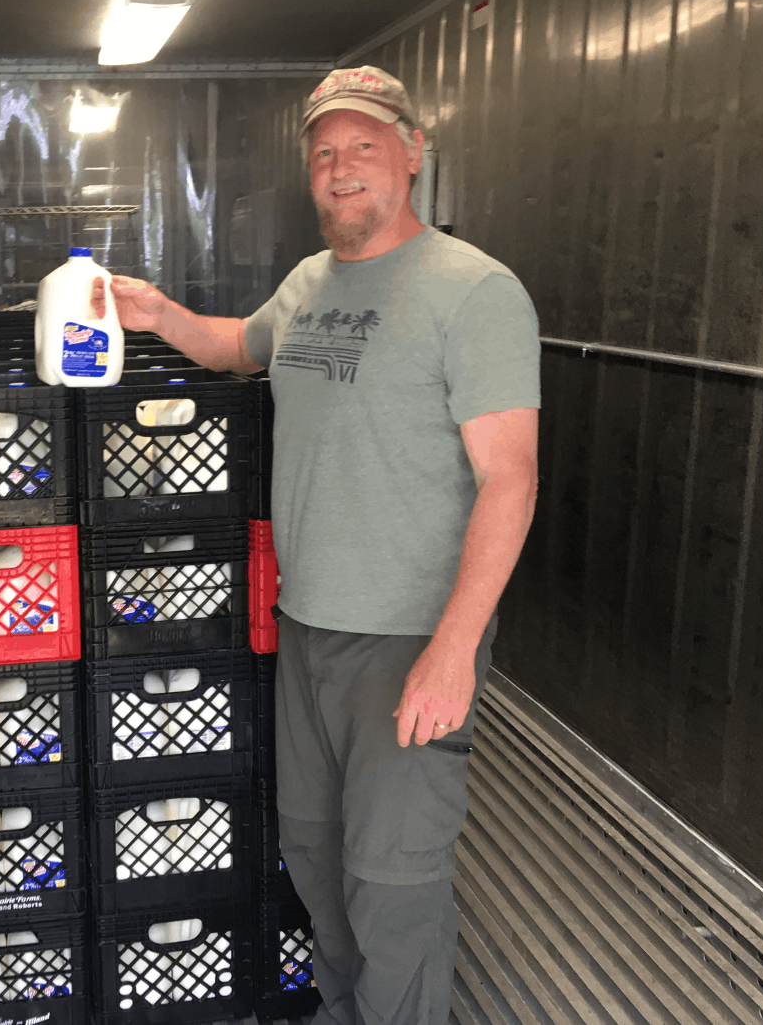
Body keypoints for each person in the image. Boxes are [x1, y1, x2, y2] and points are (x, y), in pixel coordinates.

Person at [91, 65, 541, 1025]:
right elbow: (234, 348)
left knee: (393, 872)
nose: (341, 170)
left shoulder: (475, 292)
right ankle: (348, 1007)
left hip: (407, 636)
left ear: (412, 154)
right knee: (313, 846)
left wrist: (454, 650)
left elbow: (511, 478)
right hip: (306, 623)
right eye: (325, 151)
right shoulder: (306, 284)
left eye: (364, 147)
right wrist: (158, 314)